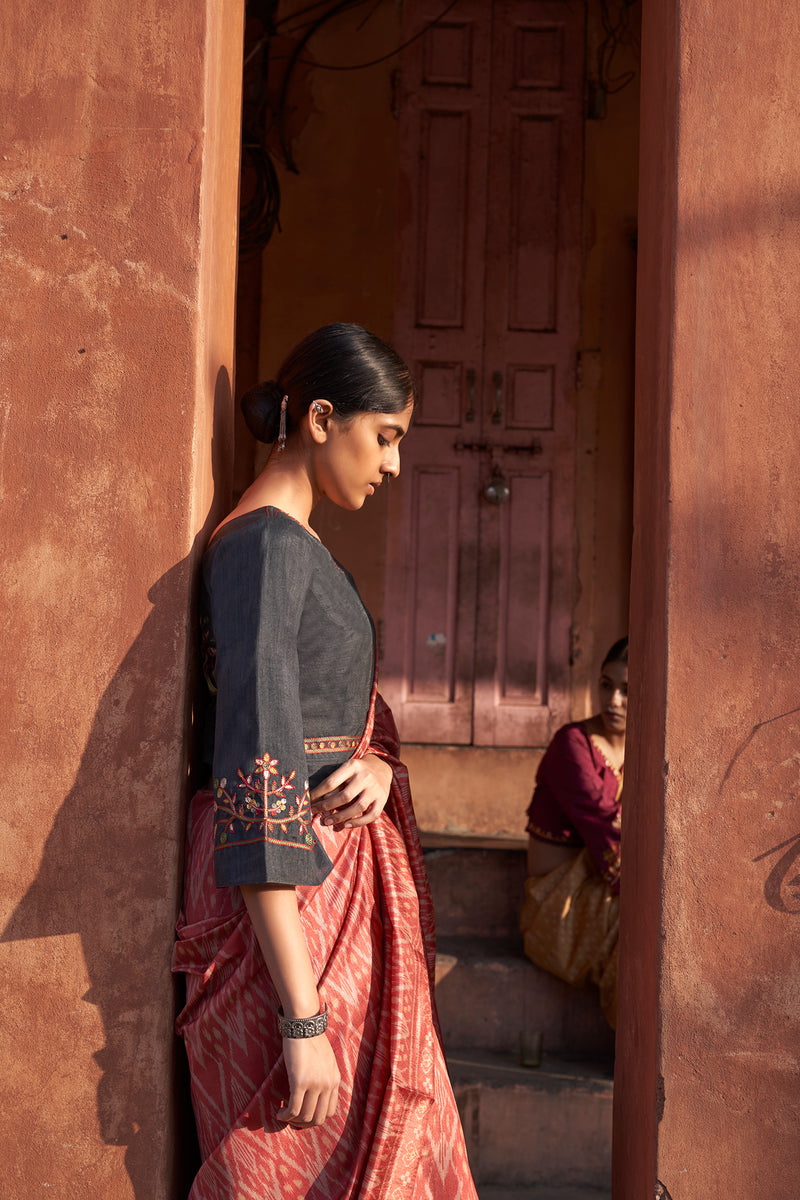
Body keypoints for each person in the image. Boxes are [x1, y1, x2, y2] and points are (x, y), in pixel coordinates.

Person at [172, 324, 478, 1199]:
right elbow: (256, 766)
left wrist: (378, 766)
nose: (390, 465)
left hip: (329, 887)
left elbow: (335, 716)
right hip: (287, 915)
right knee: (287, 1164)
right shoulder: (265, 546)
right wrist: (301, 1015)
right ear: (318, 418)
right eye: (383, 436)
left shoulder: (295, 545)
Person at [520, 638, 628, 1028]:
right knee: (639, 920)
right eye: (606, 684)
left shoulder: (648, 747)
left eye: (628, 690)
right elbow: (604, 831)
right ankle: (630, 1044)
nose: (613, 699)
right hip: (558, 903)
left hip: (607, 886)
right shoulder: (573, 744)